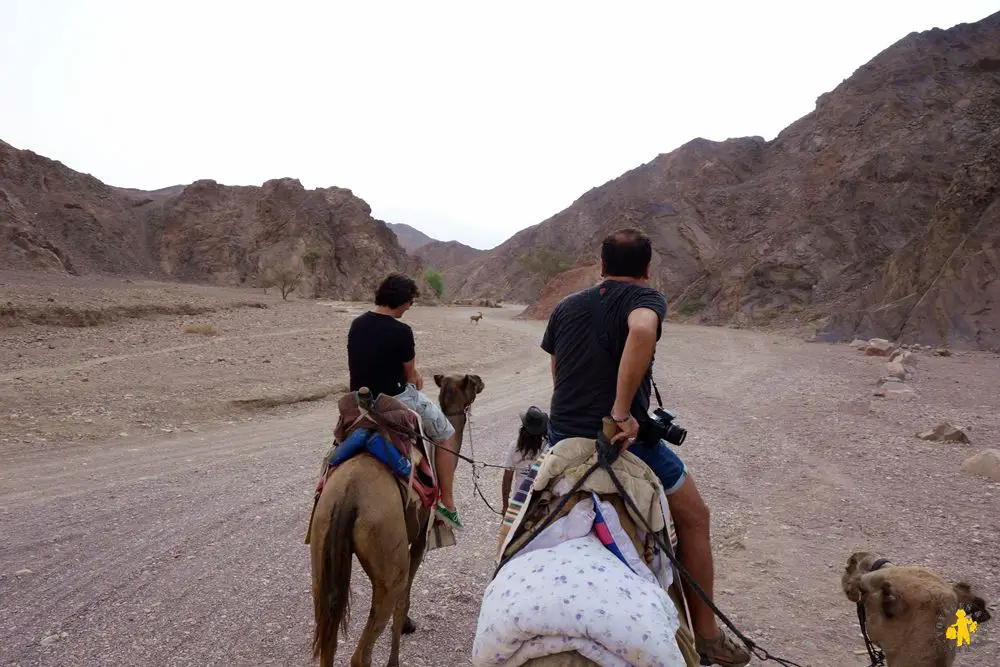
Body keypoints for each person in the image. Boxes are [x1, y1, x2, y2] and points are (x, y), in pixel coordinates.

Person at [540, 228, 750, 667]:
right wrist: (619, 412)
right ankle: (707, 636)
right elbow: (640, 332)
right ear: (648, 268)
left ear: (601, 265)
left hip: (563, 437)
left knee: (523, 510)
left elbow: (558, 372)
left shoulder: (565, 306)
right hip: (624, 443)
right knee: (696, 518)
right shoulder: (646, 300)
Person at [347, 273, 465, 530]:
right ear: (401, 300)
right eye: (410, 301)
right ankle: (448, 504)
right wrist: (415, 377)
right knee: (446, 432)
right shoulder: (401, 331)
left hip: (360, 400)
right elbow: (411, 376)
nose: (410, 307)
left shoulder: (357, 324)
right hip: (395, 399)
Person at [501, 406, 550, 515]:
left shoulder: (514, 448)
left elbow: (507, 479)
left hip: (518, 500)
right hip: (539, 500)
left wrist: (505, 506)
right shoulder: (547, 448)